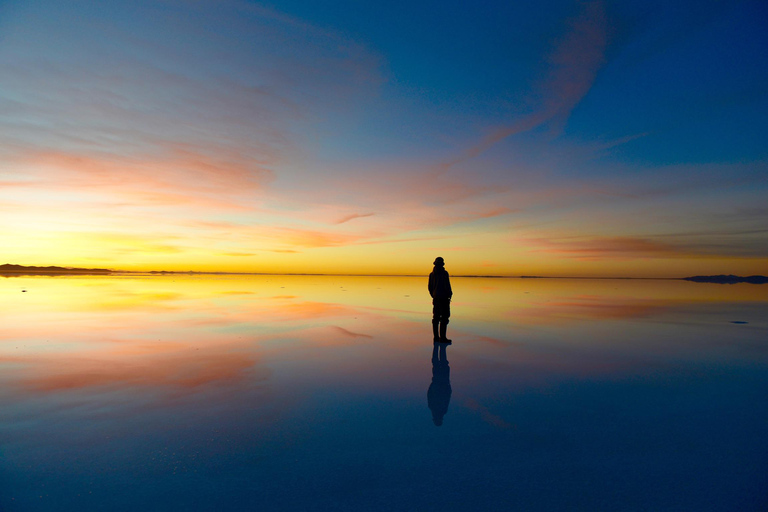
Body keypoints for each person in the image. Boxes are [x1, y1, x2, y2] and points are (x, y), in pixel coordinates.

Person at [428, 256, 453, 343]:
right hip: (443, 299)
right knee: (444, 318)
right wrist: (449, 294)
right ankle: (442, 338)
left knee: (436, 318)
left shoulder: (431, 274)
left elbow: (430, 288)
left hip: (436, 298)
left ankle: (436, 337)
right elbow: (447, 286)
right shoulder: (444, 273)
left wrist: (434, 295)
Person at [427, 341, 452, 426]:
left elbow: (429, 394)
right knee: (440, 362)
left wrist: (433, 384)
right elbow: (447, 395)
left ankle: (438, 346)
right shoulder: (440, 409)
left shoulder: (435, 408)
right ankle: (439, 347)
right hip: (442, 382)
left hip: (440, 382)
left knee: (439, 363)